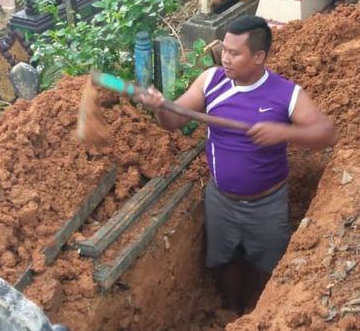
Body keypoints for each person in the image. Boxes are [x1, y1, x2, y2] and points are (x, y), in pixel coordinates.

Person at [137, 16, 336, 313]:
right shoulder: (211, 81)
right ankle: (232, 310)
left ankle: (263, 315)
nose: (225, 59)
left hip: (267, 205)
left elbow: (327, 133)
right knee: (224, 258)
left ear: (259, 57)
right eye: (225, 50)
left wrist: (285, 132)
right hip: (220, 200)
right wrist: (161, 108)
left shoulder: (286, 94)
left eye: (234, 53)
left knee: (271, 265)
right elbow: (174, 120)